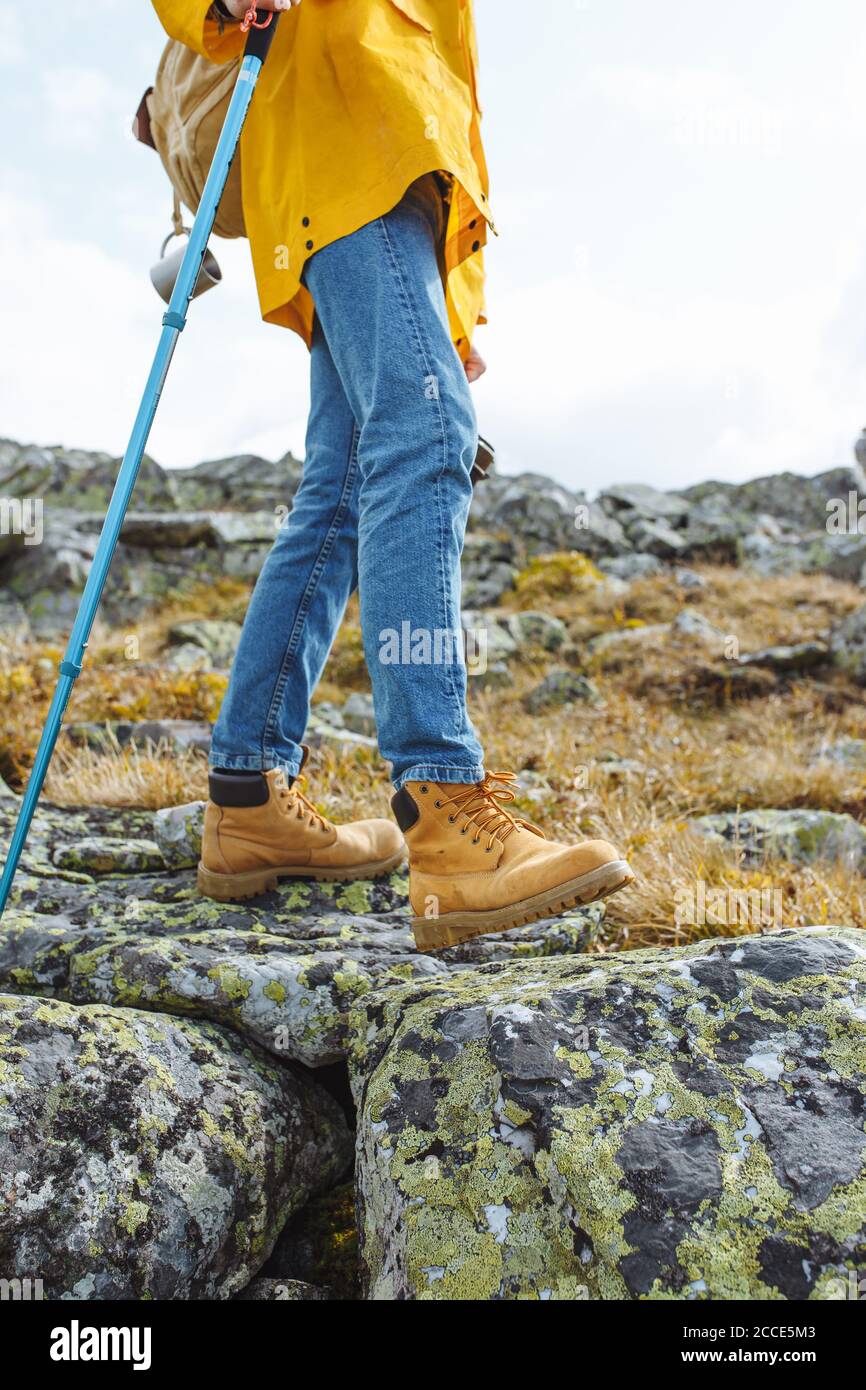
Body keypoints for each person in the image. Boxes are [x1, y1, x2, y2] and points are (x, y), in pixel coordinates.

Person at [152, 0, 634, 951]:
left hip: (382, 181)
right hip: (344, 166)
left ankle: (246, 797)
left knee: (335, 494)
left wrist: (452, 307)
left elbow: (436, 101)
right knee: (424, 435)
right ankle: (444, 806)